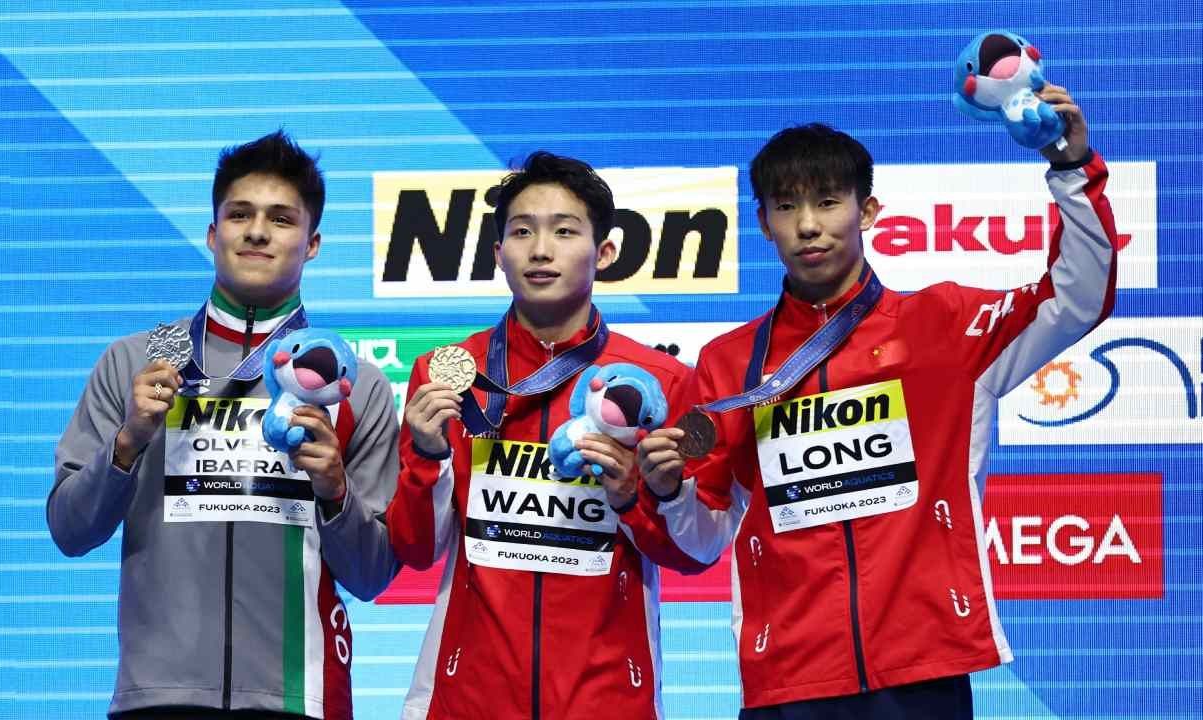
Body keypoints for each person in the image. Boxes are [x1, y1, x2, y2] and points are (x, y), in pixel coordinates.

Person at [636, 85, 1117, 718]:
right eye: (787, 207)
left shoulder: (944, 327)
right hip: (789, 681)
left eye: (829, 202)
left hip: (925, 668)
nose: (808, 225)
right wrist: (667, 493)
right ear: (763, 222)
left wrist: (1070, 168)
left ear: (868, 212)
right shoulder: (729, 364)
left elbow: (1075, 297)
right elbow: (699, 543)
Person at [50, 130, 399, 720]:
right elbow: (69, 530)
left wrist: (336, 490)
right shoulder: (140, 360)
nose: (257, 231)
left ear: (312, 244)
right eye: (240, 214)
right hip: (156, 696)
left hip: (300, 696)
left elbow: (371, 576)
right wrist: (128, 443)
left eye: (281, 219)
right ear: (214, 234)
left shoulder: (355, 384)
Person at [388, 151, 691, 720]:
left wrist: (631, 497)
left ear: (604, 252)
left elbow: (689, 554)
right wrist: (426, 456)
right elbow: (415, 548)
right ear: (499, 253)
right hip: (467, 697)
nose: (541, 249)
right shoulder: (446, 372)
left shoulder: (659, 383)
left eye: (564, 231)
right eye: (522, 231)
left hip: (607, 699)